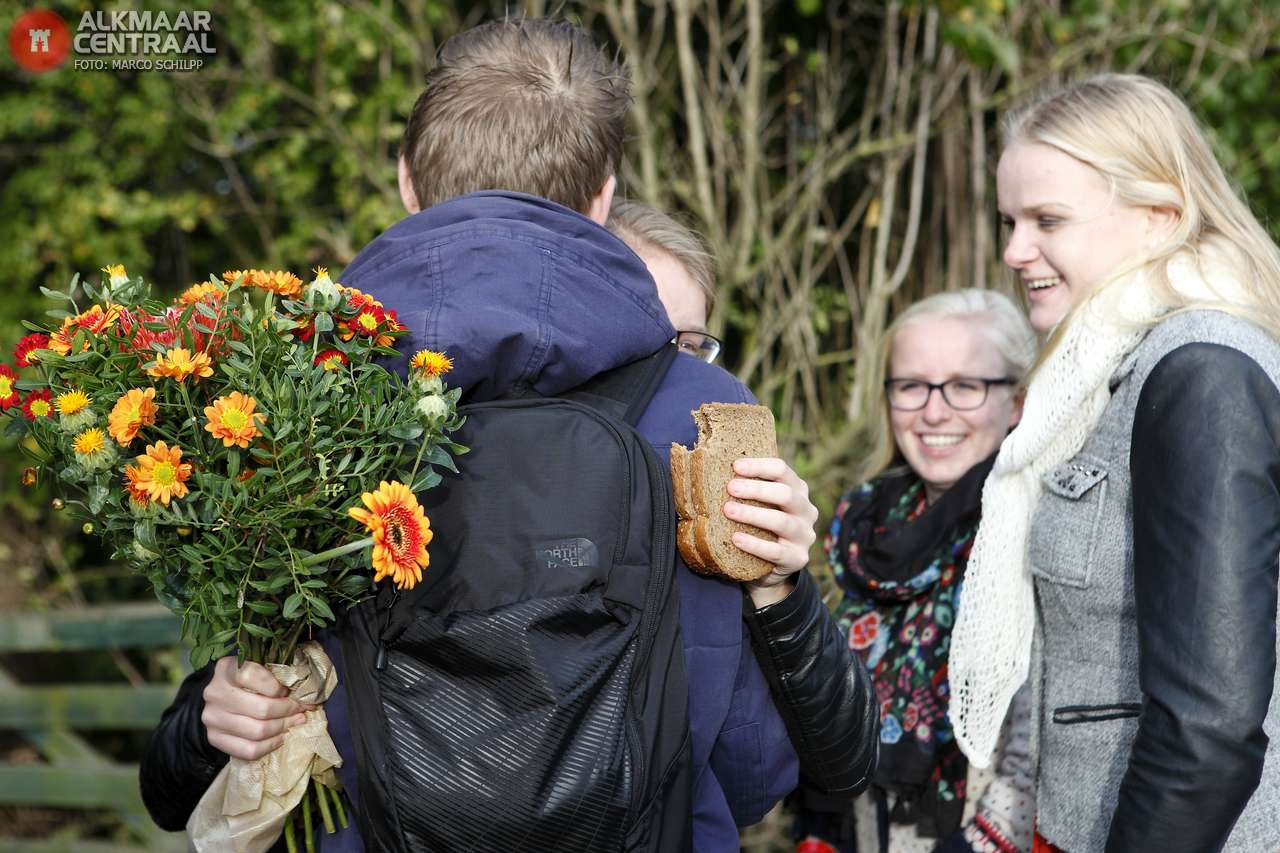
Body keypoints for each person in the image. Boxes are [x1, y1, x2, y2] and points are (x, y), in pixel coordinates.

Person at [139, 17, 878, 852]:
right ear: (603, 198)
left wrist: (219, 715)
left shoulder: (301, 414)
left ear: (409, 183)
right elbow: (761, 769)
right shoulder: (702, 417)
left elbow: (180, 776)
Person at [948, 73, 1280, 852]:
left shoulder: (1203, 374)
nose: (1012, 249)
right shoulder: (1105, 372)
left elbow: (1212, 725)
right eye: (1009, 219)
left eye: (1047, 220)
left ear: (1159, 216)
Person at [792, 290, 1038, 853]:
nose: (933, 411)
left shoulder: (1032, 537)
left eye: (965, 386)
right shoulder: (860, 532)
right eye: (911, 386)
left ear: (1017, 402)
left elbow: (1034, 759)